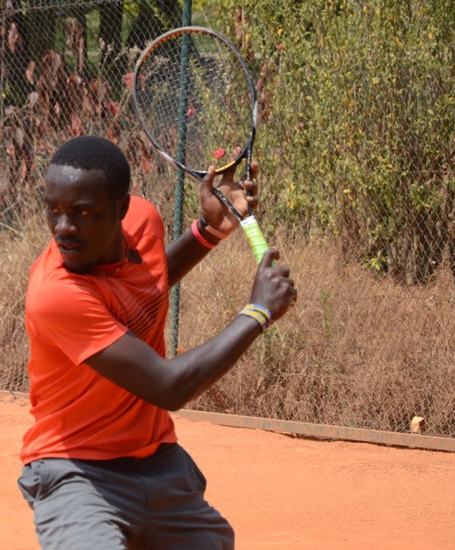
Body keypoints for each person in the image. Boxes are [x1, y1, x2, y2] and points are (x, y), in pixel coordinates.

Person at [18, 135, 297, 549]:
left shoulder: (143, 222)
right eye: (53, 210)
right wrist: (256, 312)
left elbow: (145, 288)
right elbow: (169, 386)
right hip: (76, 472)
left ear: (122, 210)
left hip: (159, 465)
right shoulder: (56, 293)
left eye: (83, 213)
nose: (63, 228)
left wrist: (209, 232)